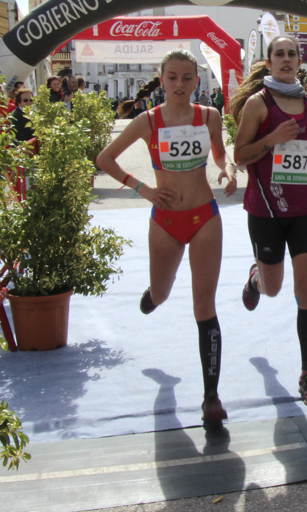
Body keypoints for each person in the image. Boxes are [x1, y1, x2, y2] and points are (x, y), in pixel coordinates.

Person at [94, 49, 238, 427]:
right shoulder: (148, 120)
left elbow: (221, 156)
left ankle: (211, 397)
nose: (179, 84)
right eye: (171, 77)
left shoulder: (209, 116)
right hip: (165, 221)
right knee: (161, 293)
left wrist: (228, 170)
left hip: (205, 217)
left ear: (196, 81)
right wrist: (143, 189)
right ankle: (154, 295)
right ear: (162, 80)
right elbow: (104, 159)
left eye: (186, 78)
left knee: (204, 306)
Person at [231, 35, 307, 408]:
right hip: (266, 209)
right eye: (278, 54)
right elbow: (240, 156)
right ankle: (256, 278)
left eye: (291, 54)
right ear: (268, 63)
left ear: (300, 61)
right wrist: (271, 138)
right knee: (273, 287)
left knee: (306, 291)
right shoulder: (257, 104)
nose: (285, 59)